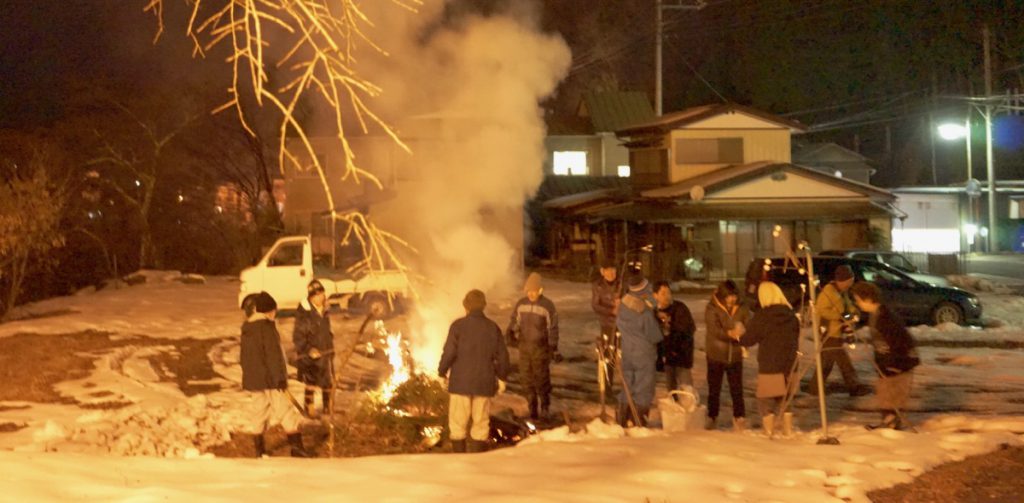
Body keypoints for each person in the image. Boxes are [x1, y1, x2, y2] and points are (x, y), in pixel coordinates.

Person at [240, 291, 312, 457]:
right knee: (285, 411)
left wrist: (250, 377)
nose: (275, 314)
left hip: (255, 380)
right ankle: (297, 448)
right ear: (266, 311)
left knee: (259, 411)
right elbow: (273, 356)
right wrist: (279, 379)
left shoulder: (248, 329)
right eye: (273, 311)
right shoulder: (266, 328)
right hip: (271, 380)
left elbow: (246, 358)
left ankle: (259, 450)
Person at [439, 289, 511, 453]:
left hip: (460, 383)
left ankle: (460, 459)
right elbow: (503, 357)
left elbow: (449, 352)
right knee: (481, 422)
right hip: (484, 383)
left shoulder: (457, 326)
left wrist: (442, 372)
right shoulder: (493, 328)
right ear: (483, 306)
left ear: (466, 306)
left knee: (458, 424)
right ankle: (478, 461)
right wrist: (501, 377)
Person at [849, 282, 920, 430]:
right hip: (887, 363)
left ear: (868, 299)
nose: (857, 303)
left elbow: (901, 341)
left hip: (898, 364)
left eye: (858, 300)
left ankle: (892, 426)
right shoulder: (876, 315)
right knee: (885, 395)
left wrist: (895, 364)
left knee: (892, 397)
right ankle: (889, 423)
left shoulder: (886, 317)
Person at [739, 281, 800, 436]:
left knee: (766, 401)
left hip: (770, 364)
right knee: (785, 399)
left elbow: (749, 339)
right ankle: (788, 431)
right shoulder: (791, 315)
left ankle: (769, 432)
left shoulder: (763, 316)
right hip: (791, 364)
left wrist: (739, 336)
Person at [506, 272, 560, 420]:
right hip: (524, 348)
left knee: (541, 378)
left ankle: (545, 407)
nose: (531, 294)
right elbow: (515, 321)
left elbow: (553, 328)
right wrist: (510, 331)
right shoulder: (521, 304)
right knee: (526, 379)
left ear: (540, 290)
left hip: (541, 349)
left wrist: (552, 346)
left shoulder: (547, 306)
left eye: (534, 291)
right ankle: (532, 407)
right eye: (529, 291)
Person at [615, 272, 663, 427]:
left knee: (627, 384)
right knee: (644, 387)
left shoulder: (622, 306)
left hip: (628, 352)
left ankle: (622, 417)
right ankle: (638, 420)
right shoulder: (644, 313)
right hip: (644, 354)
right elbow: (655, 335)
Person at [814, 265, 870, 396]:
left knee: (826, 363)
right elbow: (821, 311)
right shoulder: (828, 292)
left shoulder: (841, 292)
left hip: (835, 332)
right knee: (843, 362)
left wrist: (854, 312)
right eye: (849, 281)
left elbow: (847, 307)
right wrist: (840, 317)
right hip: (829, 332)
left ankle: (815, 388)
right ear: (843, 280)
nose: (851, 284)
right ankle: (854, 387)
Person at [704, 279, 748, 431]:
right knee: (714, 388)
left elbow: (747, 322)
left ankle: (739, 417)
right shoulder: (712, 308)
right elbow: (714, 330)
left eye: (734, 295)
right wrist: (730, 333)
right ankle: (712, 416)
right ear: (722, 295)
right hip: (716, 354)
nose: (732, 299)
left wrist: (743, 330)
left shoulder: (742, 308)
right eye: (729, 296)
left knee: (737, 389)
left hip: (735, 355)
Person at [293, 279, 334, 417]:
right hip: (310, 357)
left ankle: (327, 409)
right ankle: (309, 411)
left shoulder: (324, 311)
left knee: (327, 383)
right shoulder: (304, 314)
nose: (321, 297)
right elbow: (298, 337)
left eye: (322, 294)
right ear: (311, 297)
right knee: (311, 384)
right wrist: (309, 349)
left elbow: (326, 332)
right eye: (317, 295)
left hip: (325, 353)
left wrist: (330, 348)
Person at [652, 280, 696, 398]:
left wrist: (670, 328)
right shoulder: (654, 313)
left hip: (682, 356)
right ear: (655, 295)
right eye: (663, 293)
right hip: (668, 358)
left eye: (669, 293)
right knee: (671, 390)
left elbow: (688, 329)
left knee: (686, 390)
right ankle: (675, 414)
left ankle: (688, 414)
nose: (667, 296)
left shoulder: (680, 308)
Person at [591, 260, 621, 401]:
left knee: (620, 356)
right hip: (607, 325)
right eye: (608, 271)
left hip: (622, 325)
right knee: (607, 357)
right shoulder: (598, 286)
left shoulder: (621, 285)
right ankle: (606, 387)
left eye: (613, 270)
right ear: (603, 272)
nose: (611, 274)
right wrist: (611, 310)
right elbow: (596, 306)